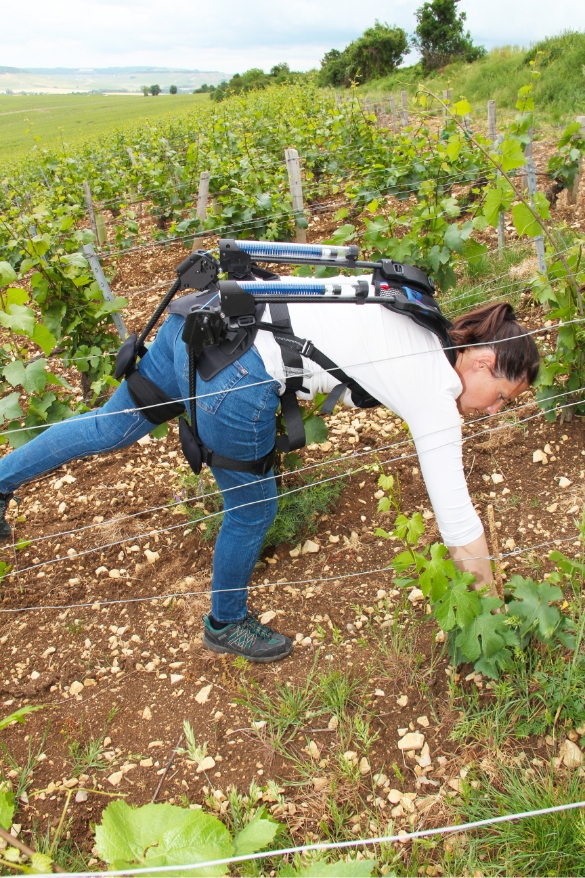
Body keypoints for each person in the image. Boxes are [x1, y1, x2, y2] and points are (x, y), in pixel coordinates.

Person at [0, 280, 539, 663]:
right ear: (481, 363)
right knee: (254, 505)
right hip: (237, 374)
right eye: (502, 398)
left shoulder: (419, 316)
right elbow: (459, 523)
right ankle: (226, 622)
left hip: (201, 320)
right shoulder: (433, 389)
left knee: (105, 427)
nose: (493, 411)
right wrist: (492, 600)